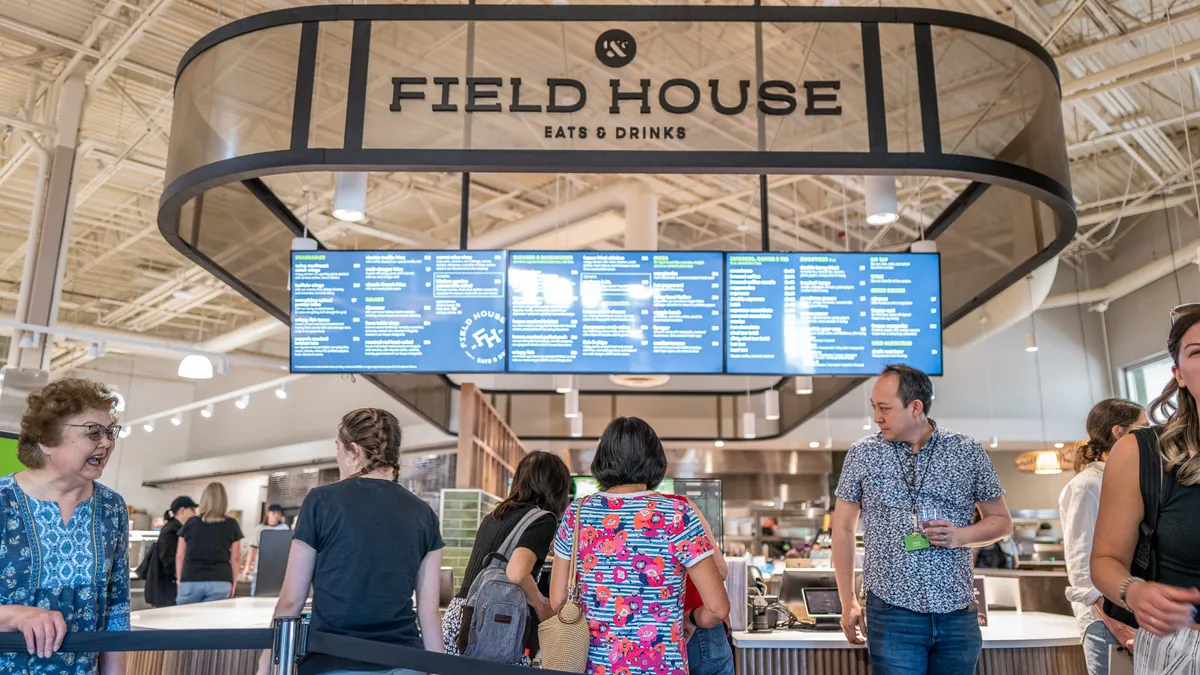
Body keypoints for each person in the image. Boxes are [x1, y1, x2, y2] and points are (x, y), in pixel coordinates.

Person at [832, 364, 1013, 675]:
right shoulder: (863, 454)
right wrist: (848, 602)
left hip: (957, 612)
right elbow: (843, 529)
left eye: (885, 408)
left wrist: (959, 536)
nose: (877, 417)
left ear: (915, 406)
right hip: (891, 612)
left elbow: (1001, 522)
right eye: (875, 407)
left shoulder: (966, 451)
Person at [257, 408, 443, 675]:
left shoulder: (320, 501)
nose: (337, 457)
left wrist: (265, 663)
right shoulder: (424, 513)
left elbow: (291, 600)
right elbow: (428, 611)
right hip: (404, 662)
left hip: (333, 660)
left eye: (337, 448)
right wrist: (437, 669)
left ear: (353, 450)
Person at [550, 416, 730, 675]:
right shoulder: (678, 513)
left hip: (597, 666)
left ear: (602, 458)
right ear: (655, 459)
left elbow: (558, 601)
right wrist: (690, 619)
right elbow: (717, 608)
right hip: (663, 667)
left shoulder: (577, 513)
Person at [1092, 306, 1200, 672]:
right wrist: (1133, 591)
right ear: (1178, 375)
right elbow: (1104, 561)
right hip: (1182, 648)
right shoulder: (1142, 453)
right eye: (1198, 352)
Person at [0, 378, 130, 674]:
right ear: (46, 440)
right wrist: (15, 616)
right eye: (93, 432)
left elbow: (117, 611)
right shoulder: (3, 501)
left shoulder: (112, 508)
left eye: (111, 432)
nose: (107, 443)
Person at [442, 451, 571, 663]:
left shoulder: (495, 515)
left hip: (459, 616)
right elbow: (517, 572)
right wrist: (542, 606)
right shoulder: (542, 520)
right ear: (557, 488)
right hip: (492, 621)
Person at [1059, 398, 1145, 675]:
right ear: (1119, 433)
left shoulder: (1124, 479)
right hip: (1107, 619)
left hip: (1136, 612)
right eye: (1142, 427)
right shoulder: (1088, 485)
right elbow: (1081, 566)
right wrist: (1119, 627)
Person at [176, 483, 243, 605]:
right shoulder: (232, 524)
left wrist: (180, 580)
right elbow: (236, 558)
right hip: (221, 581)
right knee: (213, 622)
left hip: (191, 579)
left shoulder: (191, 523)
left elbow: (180, 555)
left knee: (184, 621)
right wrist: (233, 583)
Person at [145, 496, 198, 608]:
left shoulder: (176, 528)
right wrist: (180, 577)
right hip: (166, 589)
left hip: (168, 589)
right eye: (192, 510)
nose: (195, 514)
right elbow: (168, 560)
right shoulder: (172, 530)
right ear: (182, 510)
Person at [241, 503, 290, 581]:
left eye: (278, 513)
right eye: (274, 513)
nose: (276, 515)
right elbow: (253, 548)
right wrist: (247, 567)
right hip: (261, 567)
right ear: (268, 513)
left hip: (278, 568)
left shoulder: (284, 528)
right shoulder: (259, 529)